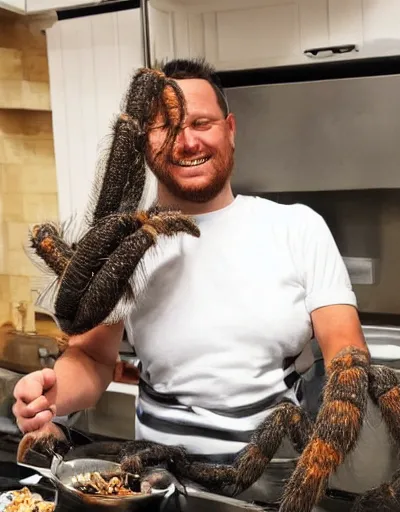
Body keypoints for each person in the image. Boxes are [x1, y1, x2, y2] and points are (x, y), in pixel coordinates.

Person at [10, 57, 367, 504]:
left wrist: (337, 422)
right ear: (143, 141)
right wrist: (50, 395)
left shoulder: (297, 228)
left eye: (201, 122)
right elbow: (93, 359)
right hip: (157, 488)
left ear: (230, 129)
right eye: (167, 128)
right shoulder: (126, 245)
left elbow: (344, 348)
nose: (188, 141)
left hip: (275, 487)